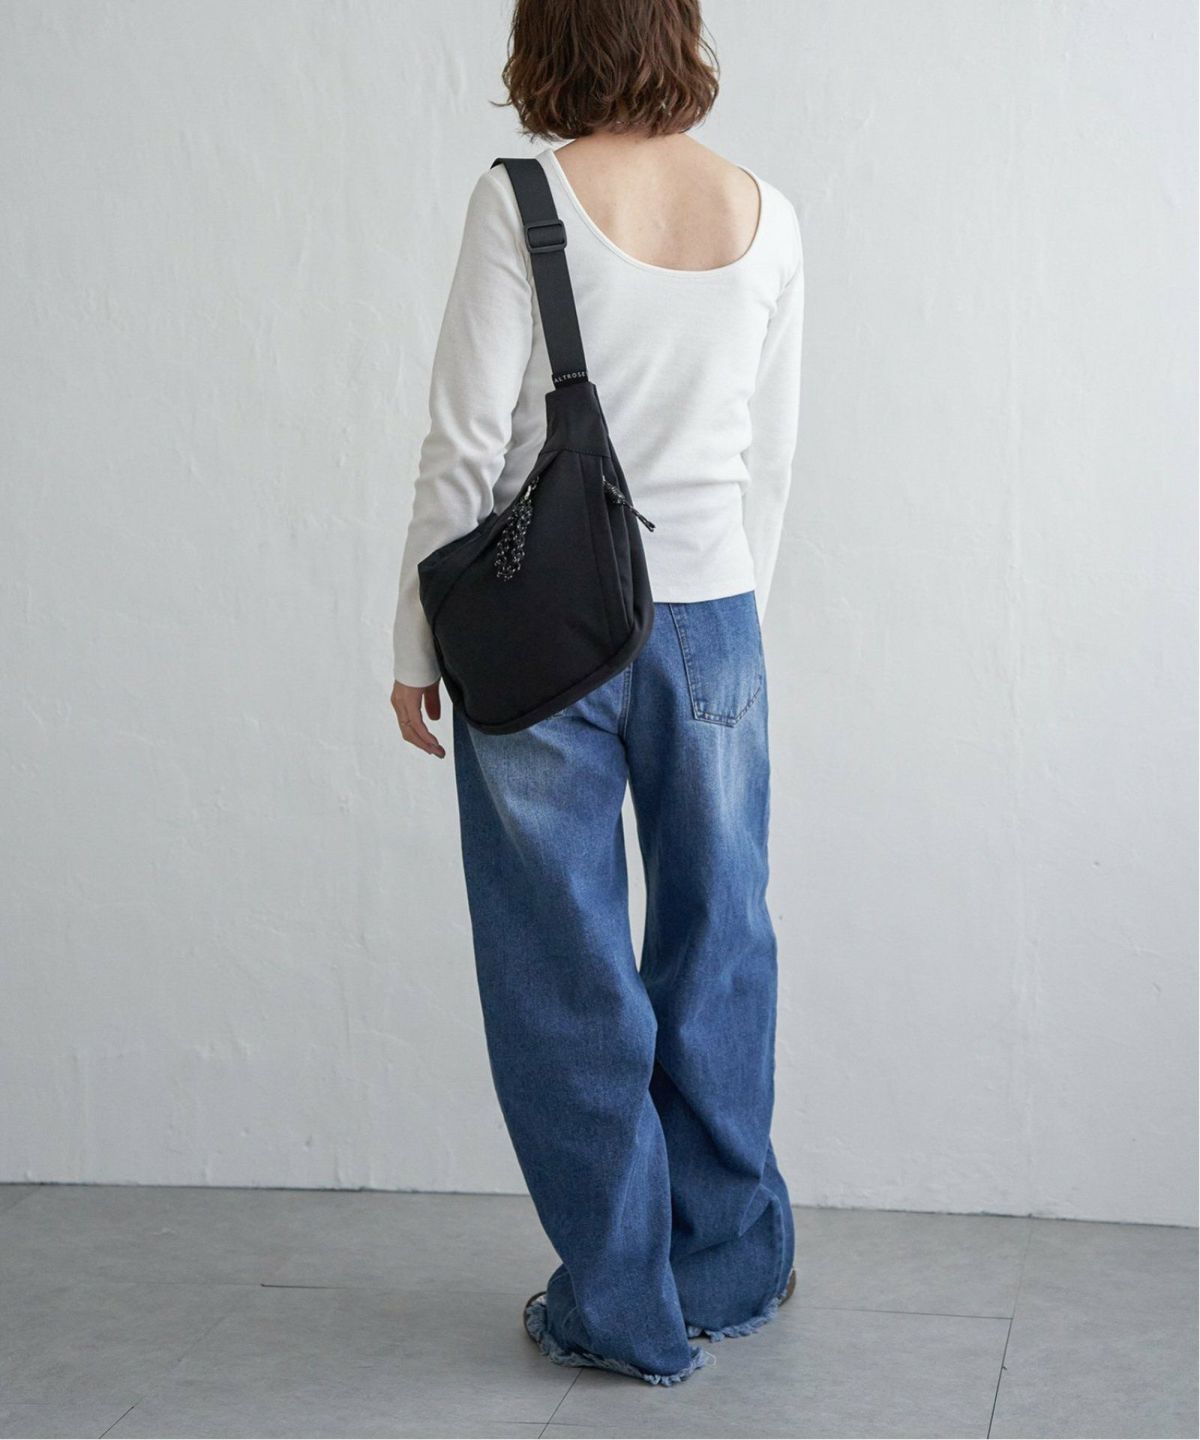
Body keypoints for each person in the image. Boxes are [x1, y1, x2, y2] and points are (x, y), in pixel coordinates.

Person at [390, 0, 805, 1386]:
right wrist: (733, 636)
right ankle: (727, 1267)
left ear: (549, 37)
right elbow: (766, 467)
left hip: (542, 633)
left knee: (564, 973)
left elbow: (464, 450)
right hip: (716, 625)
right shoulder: (766, 215)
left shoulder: (523, 201)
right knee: (721, 941)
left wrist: (415, 645)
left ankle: (624, 1309)